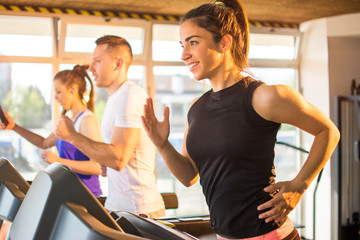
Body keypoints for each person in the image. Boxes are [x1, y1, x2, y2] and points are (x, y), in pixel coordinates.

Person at [141, 0, 340, 239]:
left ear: (224, 42)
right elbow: (189, 176)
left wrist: (299, 185)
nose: (184, 54)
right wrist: (162, 144)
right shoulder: (196, 109)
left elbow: (328, 131)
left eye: (193, 42)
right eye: (182, 45)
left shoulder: (264, 97)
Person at [54, 35, 165, 218]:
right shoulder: (116, 98)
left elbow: (118, 158)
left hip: (139, 209)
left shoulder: (129, 96)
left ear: (117, 64)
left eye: (97, 62)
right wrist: (106, 162)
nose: (91, 69)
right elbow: (117, 157)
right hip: (121, 206)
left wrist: (72, 136)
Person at [0, 65, 102, 197]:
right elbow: (44, 142)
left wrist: (58, 161)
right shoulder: (68, 121)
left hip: (88, 196)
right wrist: (14, 127)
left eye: (59, 91)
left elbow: (96, 167)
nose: (55, 97)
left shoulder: (87, 120)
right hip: (68, 193)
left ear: (72, 89)